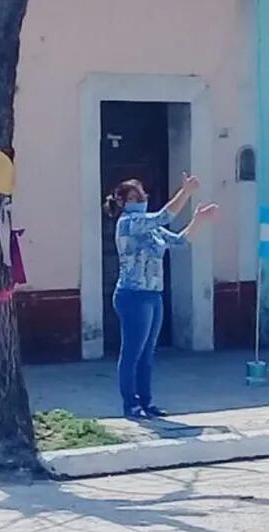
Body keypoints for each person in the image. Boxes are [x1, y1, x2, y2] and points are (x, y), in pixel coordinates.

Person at [105, 174, 218, 419]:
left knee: (147, 353)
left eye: (141, 195)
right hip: (132, 295)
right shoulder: (128, 223)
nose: (140, 199)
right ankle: (130, 405)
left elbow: (179, 242)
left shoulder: (151, 229)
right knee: (132, 353)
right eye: (133, 197)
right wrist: (186, 191)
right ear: (122, 202)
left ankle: (146, 402)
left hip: (153, 295)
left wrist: (198, 220)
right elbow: (164, 216)